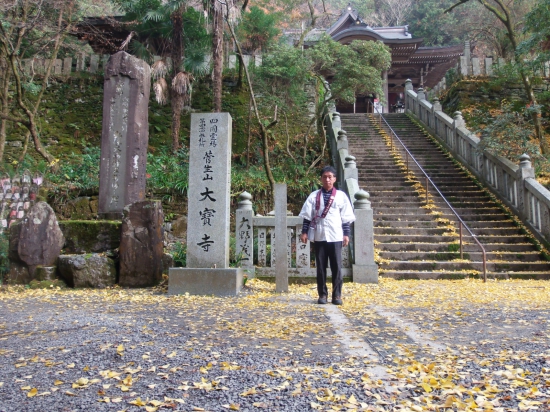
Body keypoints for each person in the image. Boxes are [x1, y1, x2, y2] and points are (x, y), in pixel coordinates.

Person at [299, 166, 355, 305]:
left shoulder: (341, 196)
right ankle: (322, 295)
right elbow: (307, 216)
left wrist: (346, 235)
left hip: (336, 235)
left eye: (330, 177)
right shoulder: (314, 196)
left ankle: (337, 295)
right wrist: (304, 232)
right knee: (320, 267)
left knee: (336, 266)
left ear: (335, 179)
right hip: (319, 235)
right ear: (321, 179)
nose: (327, 179)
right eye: (324, 177)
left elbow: (345, 218)